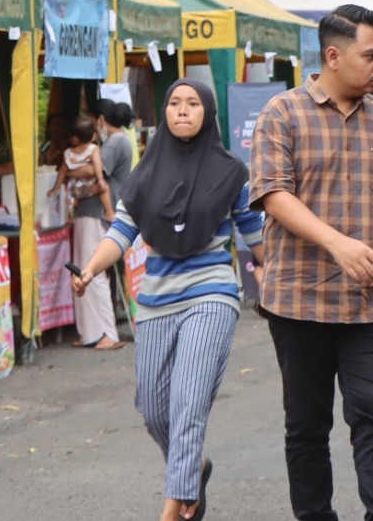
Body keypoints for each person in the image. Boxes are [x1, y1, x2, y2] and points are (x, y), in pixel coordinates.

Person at [251, 4, 373, 521]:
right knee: (306, 426)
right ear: (333, 55)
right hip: (298, 300)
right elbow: (273, 194)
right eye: (370, 56)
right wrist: (336, 243)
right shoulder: (283, 112)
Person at [73, 79, 263, 521]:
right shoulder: (145, 173)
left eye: (193, 103)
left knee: (187, 402)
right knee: (154, 410)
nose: (182, 110)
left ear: (207, 112)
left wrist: (277, 276)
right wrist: (90, 270)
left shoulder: (232, 172)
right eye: (175, 103)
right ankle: (194, 468)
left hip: (212, 293)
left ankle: (172, 508)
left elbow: (256, 237)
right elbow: (121, 231)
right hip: (156, 300)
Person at [68, 102, 134, 350]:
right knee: (85, 270)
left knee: (91, 272)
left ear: (102, 120)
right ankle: (90, 333)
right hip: (92, 211)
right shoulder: (120, 140)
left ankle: (106, 333)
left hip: (96, 213)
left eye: (94, 121)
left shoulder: (115, 143)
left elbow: (92, 172)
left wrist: (65, 167)